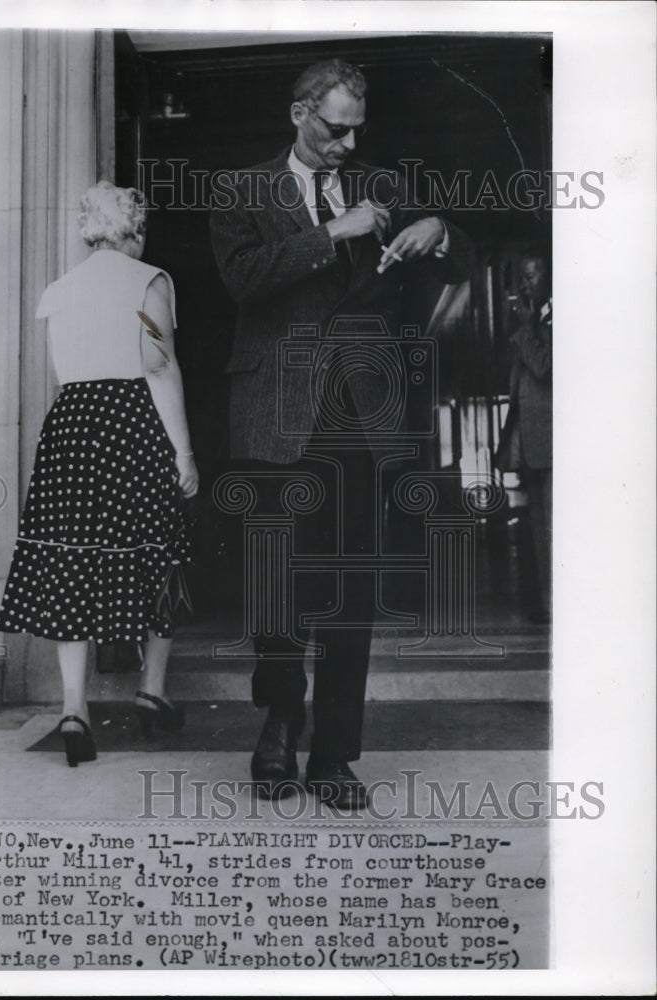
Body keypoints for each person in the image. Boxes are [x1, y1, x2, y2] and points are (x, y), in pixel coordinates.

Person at [209, 59, 472, 809]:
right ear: (300, 114)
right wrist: (332, 230)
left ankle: (331, 754)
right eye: (334, 128)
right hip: (272, 410)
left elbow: (467, 257)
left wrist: (437, 228)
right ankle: (279, 717)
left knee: (352, 586)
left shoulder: (384, 185)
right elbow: (242, 278)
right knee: (277, 581)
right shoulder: (240, 190)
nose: (348, 144)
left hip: (358, 414)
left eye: (358, 129)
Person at [0, 180, 199, 766]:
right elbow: (159, 367)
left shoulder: (57, 290)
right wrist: (183, 452)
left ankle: (72, 709)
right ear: (134, 230)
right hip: (131, 422)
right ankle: (152, 691)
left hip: (71, 428)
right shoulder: (148, 280)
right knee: (160, 552)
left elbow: (57, 375)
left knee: (70, 560)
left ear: (90, 230)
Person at [498, 253, 553, 623]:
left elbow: (545, 367)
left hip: (551, 443)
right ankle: (548, 603)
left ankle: (556, 603)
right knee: (538, 530)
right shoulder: (536, 318)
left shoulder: (555, 320)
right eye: (522, 277)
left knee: (551, 528)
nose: (524, 285)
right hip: (534, 442)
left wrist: (524, 329)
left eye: (531, 277)